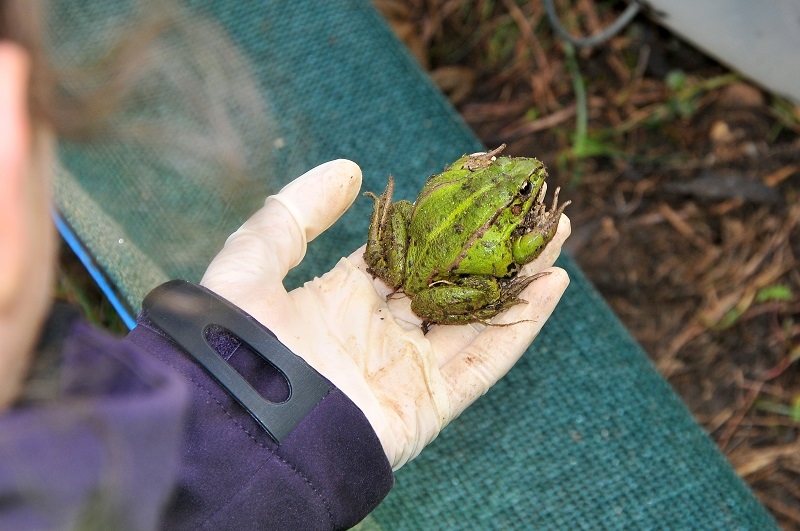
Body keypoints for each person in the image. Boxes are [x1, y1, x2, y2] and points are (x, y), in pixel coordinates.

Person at [0, 2, 570, 529]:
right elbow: (509, 247)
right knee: (497, 271)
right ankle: (494, 294)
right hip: (440, 279)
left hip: (411, 255)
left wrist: (222, 389)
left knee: (402, 211)